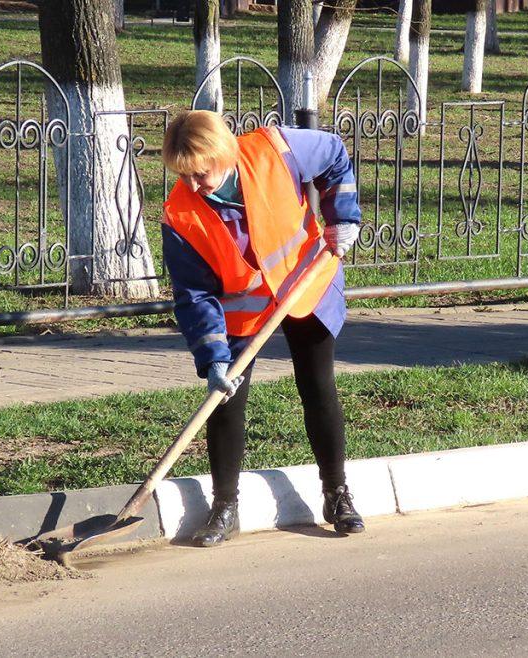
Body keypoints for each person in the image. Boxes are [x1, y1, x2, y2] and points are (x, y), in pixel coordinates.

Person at [160, 110, 362, 547]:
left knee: (318, 385)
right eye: (183, 175)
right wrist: (213, 358)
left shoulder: (274, 149)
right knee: (225, 401)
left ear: (223, 154)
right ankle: (225, 507)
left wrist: (341, 215)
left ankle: (336, 493)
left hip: (304, 281)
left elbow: (334, 155)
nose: (193, 185)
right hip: (242, 310)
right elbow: (194, 294)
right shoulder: (180, 213)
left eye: (201, 173)